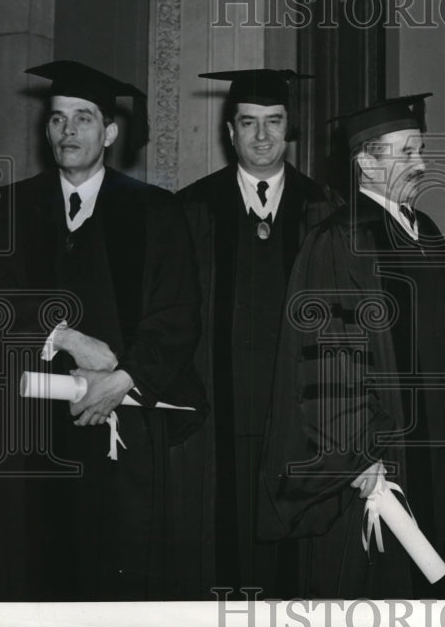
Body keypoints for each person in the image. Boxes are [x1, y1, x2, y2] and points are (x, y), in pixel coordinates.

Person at [0, 60, 205, 601]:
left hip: (121, 425)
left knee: (113, 575)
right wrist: (65, 336)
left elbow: (178, 314)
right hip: (30, 434)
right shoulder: (12, 205)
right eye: (57, 118)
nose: (67, 131)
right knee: (32, 573)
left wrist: (123, 379)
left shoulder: (154, 210)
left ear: (110, 133)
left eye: (83, 118)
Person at [258, 93, 445, 598]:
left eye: (420, 150)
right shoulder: (340, 239)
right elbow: (326, 358)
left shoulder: (426, 232)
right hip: (374, 463)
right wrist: (356, 454)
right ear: (366, 164)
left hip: (435, 448)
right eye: (406, 152)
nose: (421, 164)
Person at [173, 68, 339, 598]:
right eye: (249, 122)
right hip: (215, 414)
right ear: (230, 131)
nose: (262, 135)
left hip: (300, 416)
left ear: (290, 128)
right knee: (219, 551)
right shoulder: (191, 209)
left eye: (274, 121)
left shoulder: (327, 210)